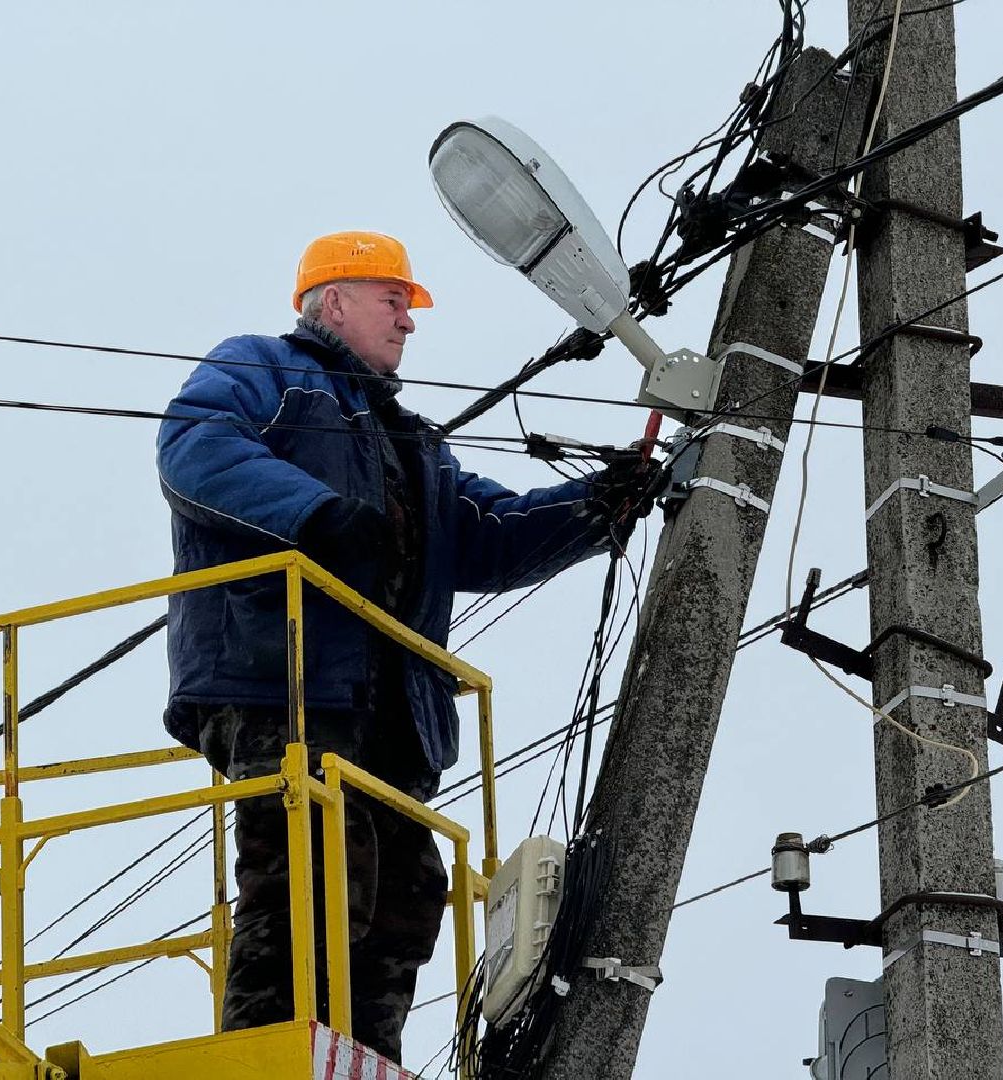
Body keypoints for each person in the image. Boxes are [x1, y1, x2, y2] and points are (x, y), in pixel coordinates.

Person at [156, 230, 653, 1063]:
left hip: (389, 707)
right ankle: (274, 1058)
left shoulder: (412, 443)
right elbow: (195, 448)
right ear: (335, 300)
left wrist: (598, 502)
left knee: (408, 895)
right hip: (286, 680)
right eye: (394, 300)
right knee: (316, 875)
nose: (408, 321)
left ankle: (364, 1061)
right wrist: (315, 514)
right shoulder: (262, 368)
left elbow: (487, 533)